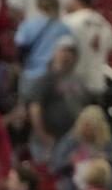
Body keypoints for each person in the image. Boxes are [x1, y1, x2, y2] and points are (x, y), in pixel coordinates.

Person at [26, 36, 91, 165]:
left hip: (72, 140)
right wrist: (43, 135)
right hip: (49, 140)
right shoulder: (45, 79)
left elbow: (86, 110)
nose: (67, 56)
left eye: (71, 52)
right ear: (55, 53)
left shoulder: (80, 82)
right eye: (63, 51)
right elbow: (35, 109)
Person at [50, 104, 112, 190]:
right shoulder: (70, 140)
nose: (87, 131)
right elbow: (54, 167)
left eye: (91, 128)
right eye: (85, 126)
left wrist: (106, 158)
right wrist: (69, 161)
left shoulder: (107, 142)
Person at [62, 0, 112, 98]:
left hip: (75, 82)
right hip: (98, 82)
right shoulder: (102, 21)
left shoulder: (68, 20)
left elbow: (63, 51)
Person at [15, 0, 75, 98]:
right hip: (55, 78)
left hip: (31, 75)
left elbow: (19, 48)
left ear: (38, 5)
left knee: (28, 110)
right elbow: (71, 54)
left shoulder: (27, 26)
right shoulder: (64, 28)